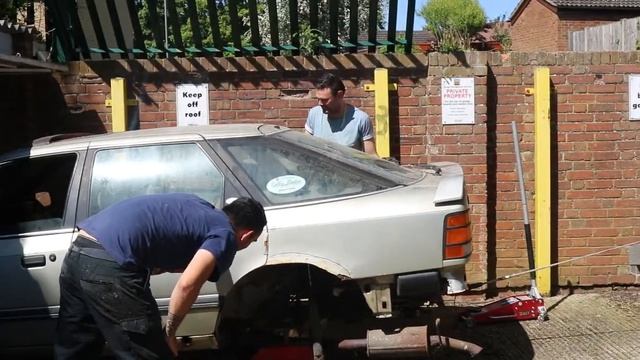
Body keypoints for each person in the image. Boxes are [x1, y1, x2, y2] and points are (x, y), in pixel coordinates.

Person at [54, 193, 267, 359]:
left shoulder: (198, 206)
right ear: (247, 235)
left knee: (77, 347)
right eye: (253, 241)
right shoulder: (226, 235)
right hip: (109, 263)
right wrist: (170, 332)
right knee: (147, 351)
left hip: (79, 251)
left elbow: (156, 234)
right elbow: (187, 286)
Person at [305, 73, 377, 155]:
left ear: (340, 95)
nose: (320, 103)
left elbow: (371, 156)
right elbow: (305, 147)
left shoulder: (360, 119)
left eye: (325, 100)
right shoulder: (314, 114)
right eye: (318, 99)